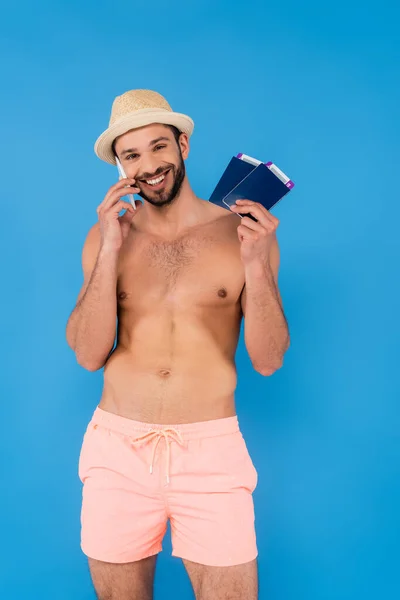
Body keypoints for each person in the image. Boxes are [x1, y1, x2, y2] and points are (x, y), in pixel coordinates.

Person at [66, 89, 290, 600]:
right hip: (117, 450)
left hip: (210, 452)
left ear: (183, 145)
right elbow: (87, 353)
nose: (148, 165)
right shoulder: (105, 238)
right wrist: (109, 246)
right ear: (119, 165)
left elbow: (269, 359)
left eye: (158, 147)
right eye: (132, 155)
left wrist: (256, 263)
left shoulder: (244, 233)